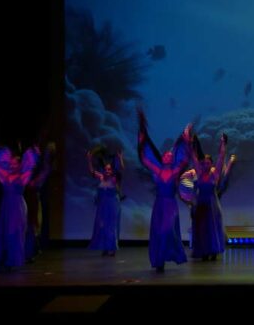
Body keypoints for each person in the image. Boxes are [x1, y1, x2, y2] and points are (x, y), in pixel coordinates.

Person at [137, 109, 192, 272]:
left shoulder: (176, 171)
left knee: (167, 230)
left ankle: (169, 254)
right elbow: (144, 159)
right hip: (159, 204)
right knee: (158, 232)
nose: (168, 156)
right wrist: (141, 140)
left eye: (170, 155)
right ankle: (159, 260)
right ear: (162, 158)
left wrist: (187, 141)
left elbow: (186, 159)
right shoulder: (157, 170)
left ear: (172, 158)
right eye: (165, 155)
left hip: (170, 204)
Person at [180, 132, 235, 261]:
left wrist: (223, 143)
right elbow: (193, 157)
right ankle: (204, 251)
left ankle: (213, 250)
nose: (205, 165)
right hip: (201, 204)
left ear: (211, 164)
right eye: (203, 163)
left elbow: (221, 157)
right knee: (202, 228)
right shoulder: (199, 173)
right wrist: (190, 143)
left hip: (212, 204)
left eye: (208, 163)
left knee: (212, 228)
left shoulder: (215, 175)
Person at [0, 143, 40, 273]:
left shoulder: (22, 176)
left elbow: (31, 167)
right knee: (3, 232)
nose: (12, 165)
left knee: (15, 232)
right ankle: (4, 260)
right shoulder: (5, 175)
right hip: (6, 206)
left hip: (18, 207)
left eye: (15, 164)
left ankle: (14, 260)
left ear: (20, 165)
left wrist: (35, 155)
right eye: (11, 163)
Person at [87, 148, 124, 257]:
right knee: (102, 226)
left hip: (112, 205)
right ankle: (105, 247)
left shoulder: (114, 179)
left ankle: (112, 248)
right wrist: (89, 159)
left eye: (109, 169)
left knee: (111, 226)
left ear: (112, 170)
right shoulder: (101, 177)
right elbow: (91, 171)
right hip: (103, 205)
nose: (107, 170)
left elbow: (121, 168)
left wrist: (120, 158)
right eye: (106, 169)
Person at [24, 142, 54, 262]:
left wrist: (47, 156)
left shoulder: (33, 170)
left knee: (33, 227)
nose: (38, 154)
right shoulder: (26, 170)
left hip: (32, 199)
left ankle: (29, 252)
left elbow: (45, 172)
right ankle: (26, 252)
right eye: (36, 153)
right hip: (27, 200)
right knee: (30, 226)